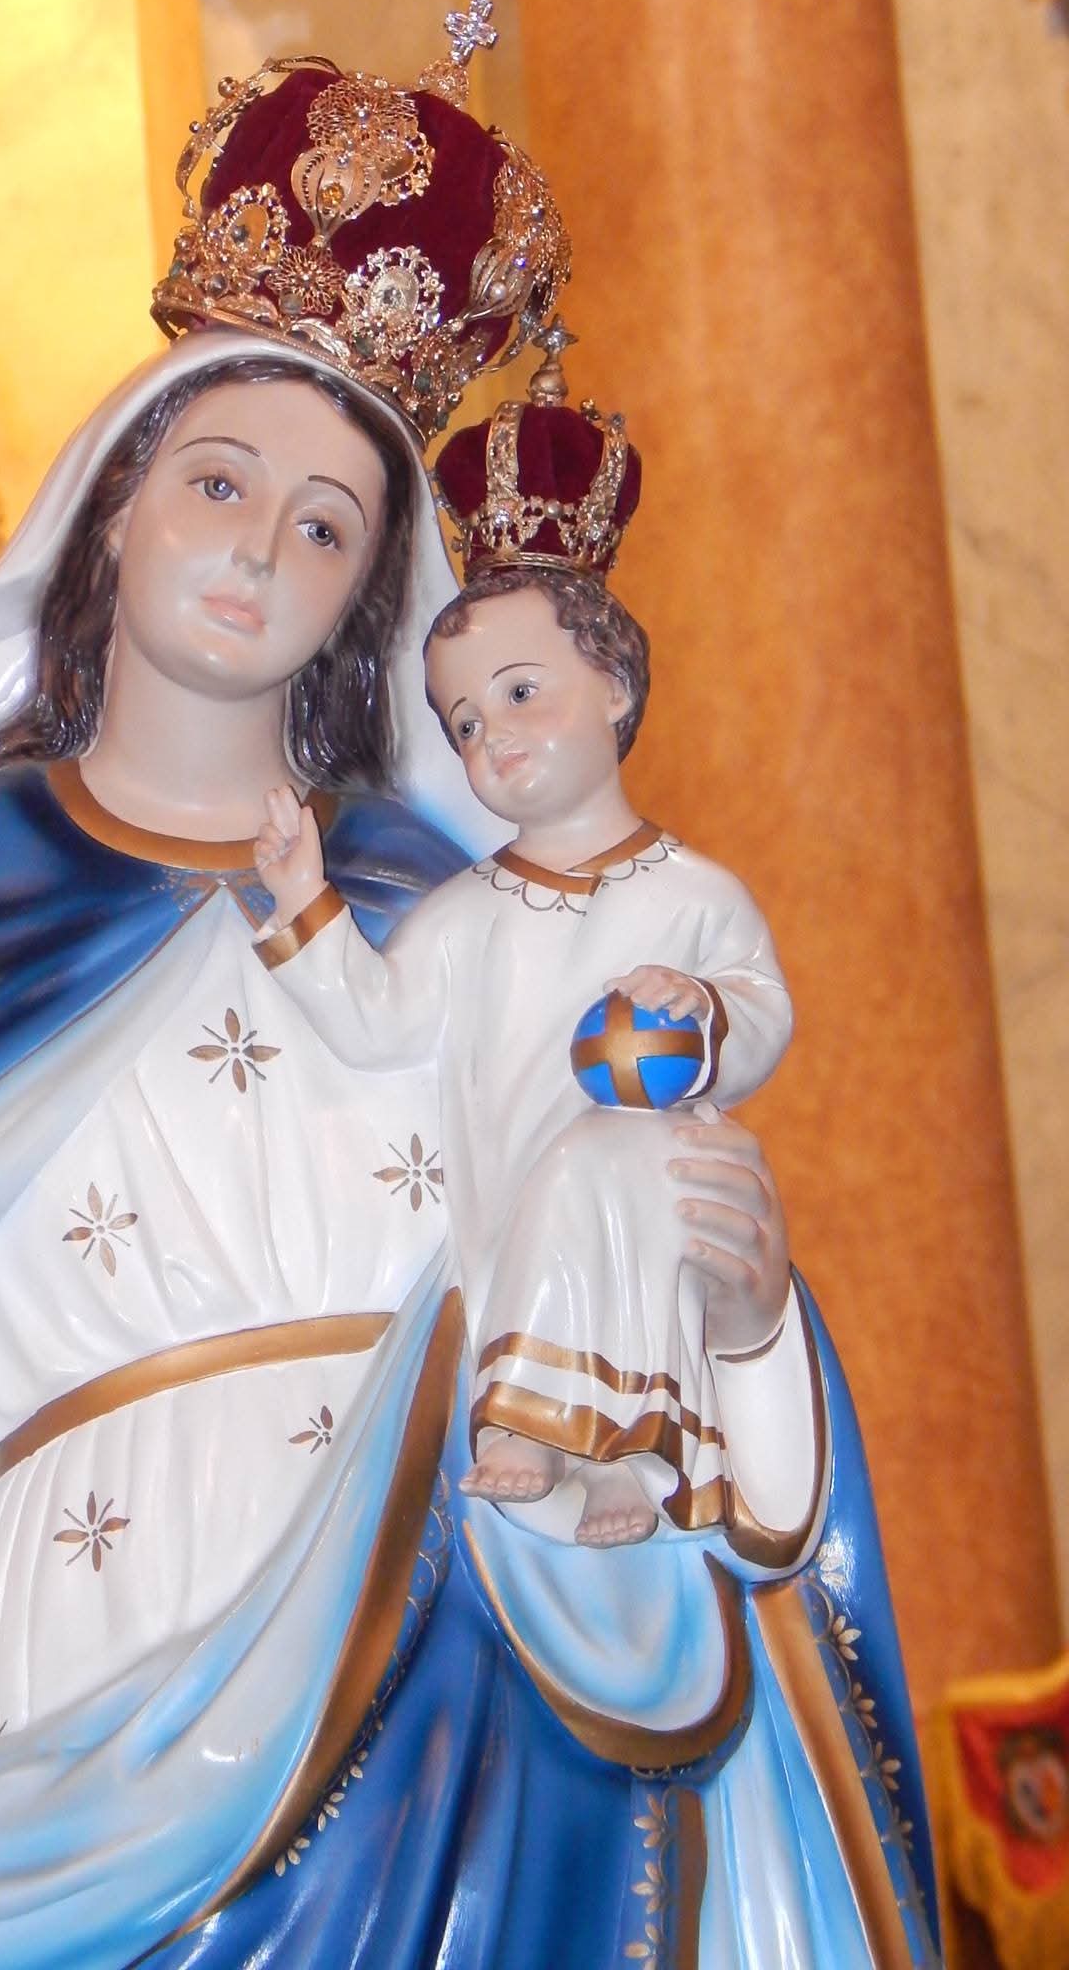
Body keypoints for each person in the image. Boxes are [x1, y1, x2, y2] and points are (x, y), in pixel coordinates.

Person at [0, 29, 941, 1970]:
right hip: (81, 1721)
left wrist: (749, 1311)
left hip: (473, 1685)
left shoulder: (453, 914)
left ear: (374, 594)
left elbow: (609, 1290)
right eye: (220, 480)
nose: (263, 547)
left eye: (329, 522)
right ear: (115, 500)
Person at [252, 550, 794, 1549]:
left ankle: (621, 1453)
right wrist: (303, 899)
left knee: (605, 1170)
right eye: (465, 723)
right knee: (546, 1225)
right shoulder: (466, 915)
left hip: (649, 1185)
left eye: (519, 693)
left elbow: (762, 1013)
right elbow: (378, 1021)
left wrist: (705, 1007)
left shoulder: (696, 895)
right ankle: (544, 1427)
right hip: (502, 1193)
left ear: (615, 688)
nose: (493, 734)